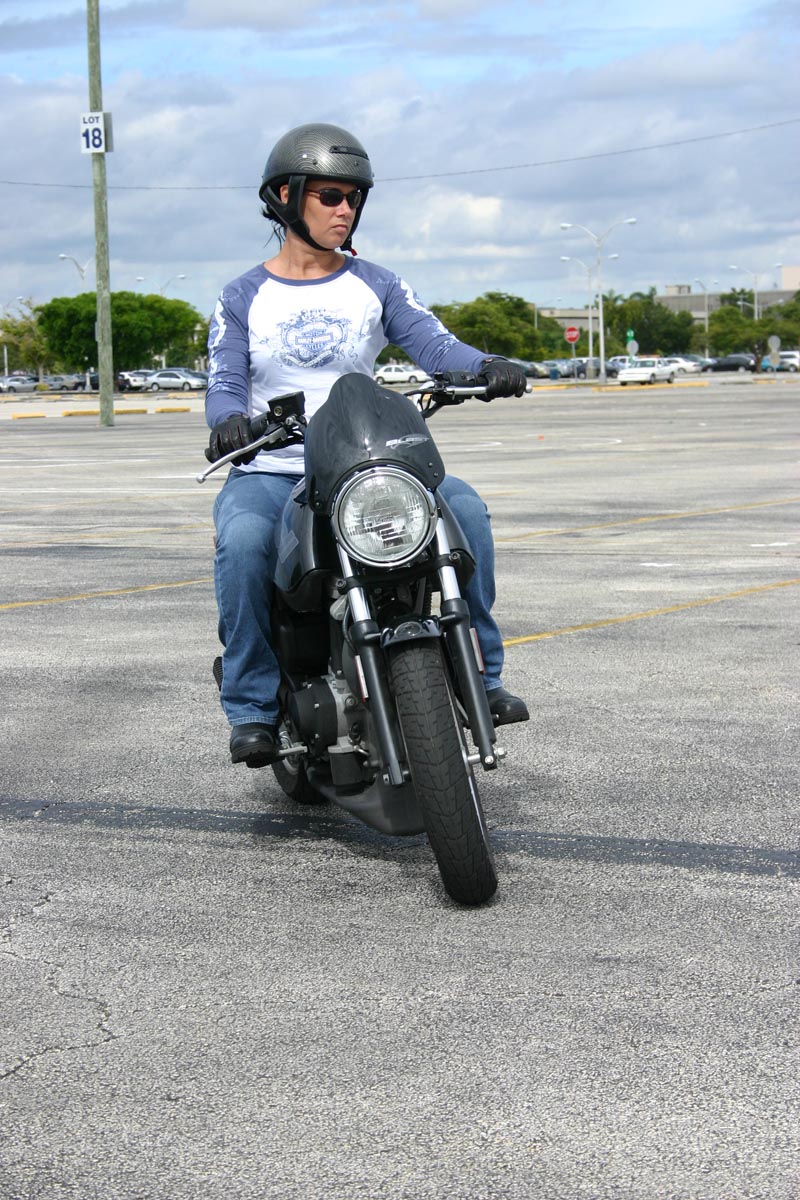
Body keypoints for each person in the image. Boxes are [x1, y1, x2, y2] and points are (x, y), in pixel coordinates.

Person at [205, 122, 529, 768]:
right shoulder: (242, 296)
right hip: (274, 467)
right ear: (284, 197)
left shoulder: (376, 283)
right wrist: (229, 422)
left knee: (467, 512)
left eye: (353, 197)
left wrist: (485, 365)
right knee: (242, 543)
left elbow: (435, 344)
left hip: (366, 459)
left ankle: (483, 676)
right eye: (329, 195)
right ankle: (251, 706)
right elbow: (225, 380)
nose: (345, 209)